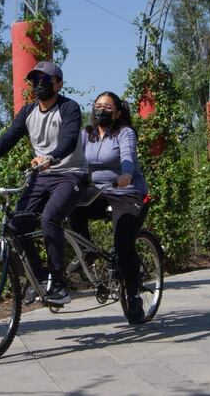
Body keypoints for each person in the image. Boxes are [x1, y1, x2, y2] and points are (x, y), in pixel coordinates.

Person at [0, 61, 87, 305]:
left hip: (71, 174)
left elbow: (70, 139)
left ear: (58, 84)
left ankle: (59, 283)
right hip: (42, 176)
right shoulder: (29, 112)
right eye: (35, 80)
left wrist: (51, 157)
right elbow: (8, 138)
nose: (39, 85)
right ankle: (42, 280)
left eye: (45, 80)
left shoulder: (69, 108)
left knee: (49, 217)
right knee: (16, 224)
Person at [66, 91, 149, 323]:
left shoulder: (124, 133)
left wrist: (126, 173)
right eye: (98, 105)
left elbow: (128, 157)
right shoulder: (86, 134)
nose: (101, 110)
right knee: (71, 203)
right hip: (101, 192)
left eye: (107, 107)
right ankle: (87, 252)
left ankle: (133, 296)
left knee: (124, 244)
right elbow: (72, 157)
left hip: (127, 192)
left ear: (118, 112)